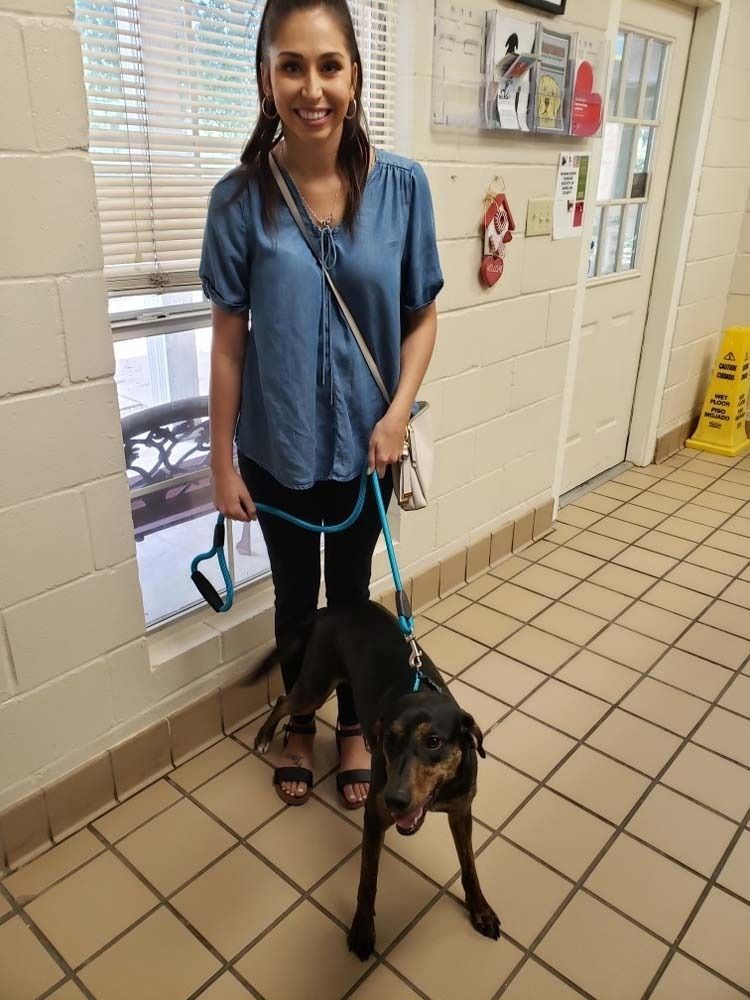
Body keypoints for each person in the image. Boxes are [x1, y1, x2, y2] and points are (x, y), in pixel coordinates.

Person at [200, 0, 443, 810]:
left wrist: (397, 414)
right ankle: (300, 721)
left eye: (329, 65)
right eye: (292, 66)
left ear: (355, 75)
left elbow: (422, 318)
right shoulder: (238, 202)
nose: (313, 88)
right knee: (295, 599)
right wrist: (220, 460)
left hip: (370, 450)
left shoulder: (402, 189)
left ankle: (354, 726)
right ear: (266, 79)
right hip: (278, 450)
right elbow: (228, 345)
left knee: (353, 597)